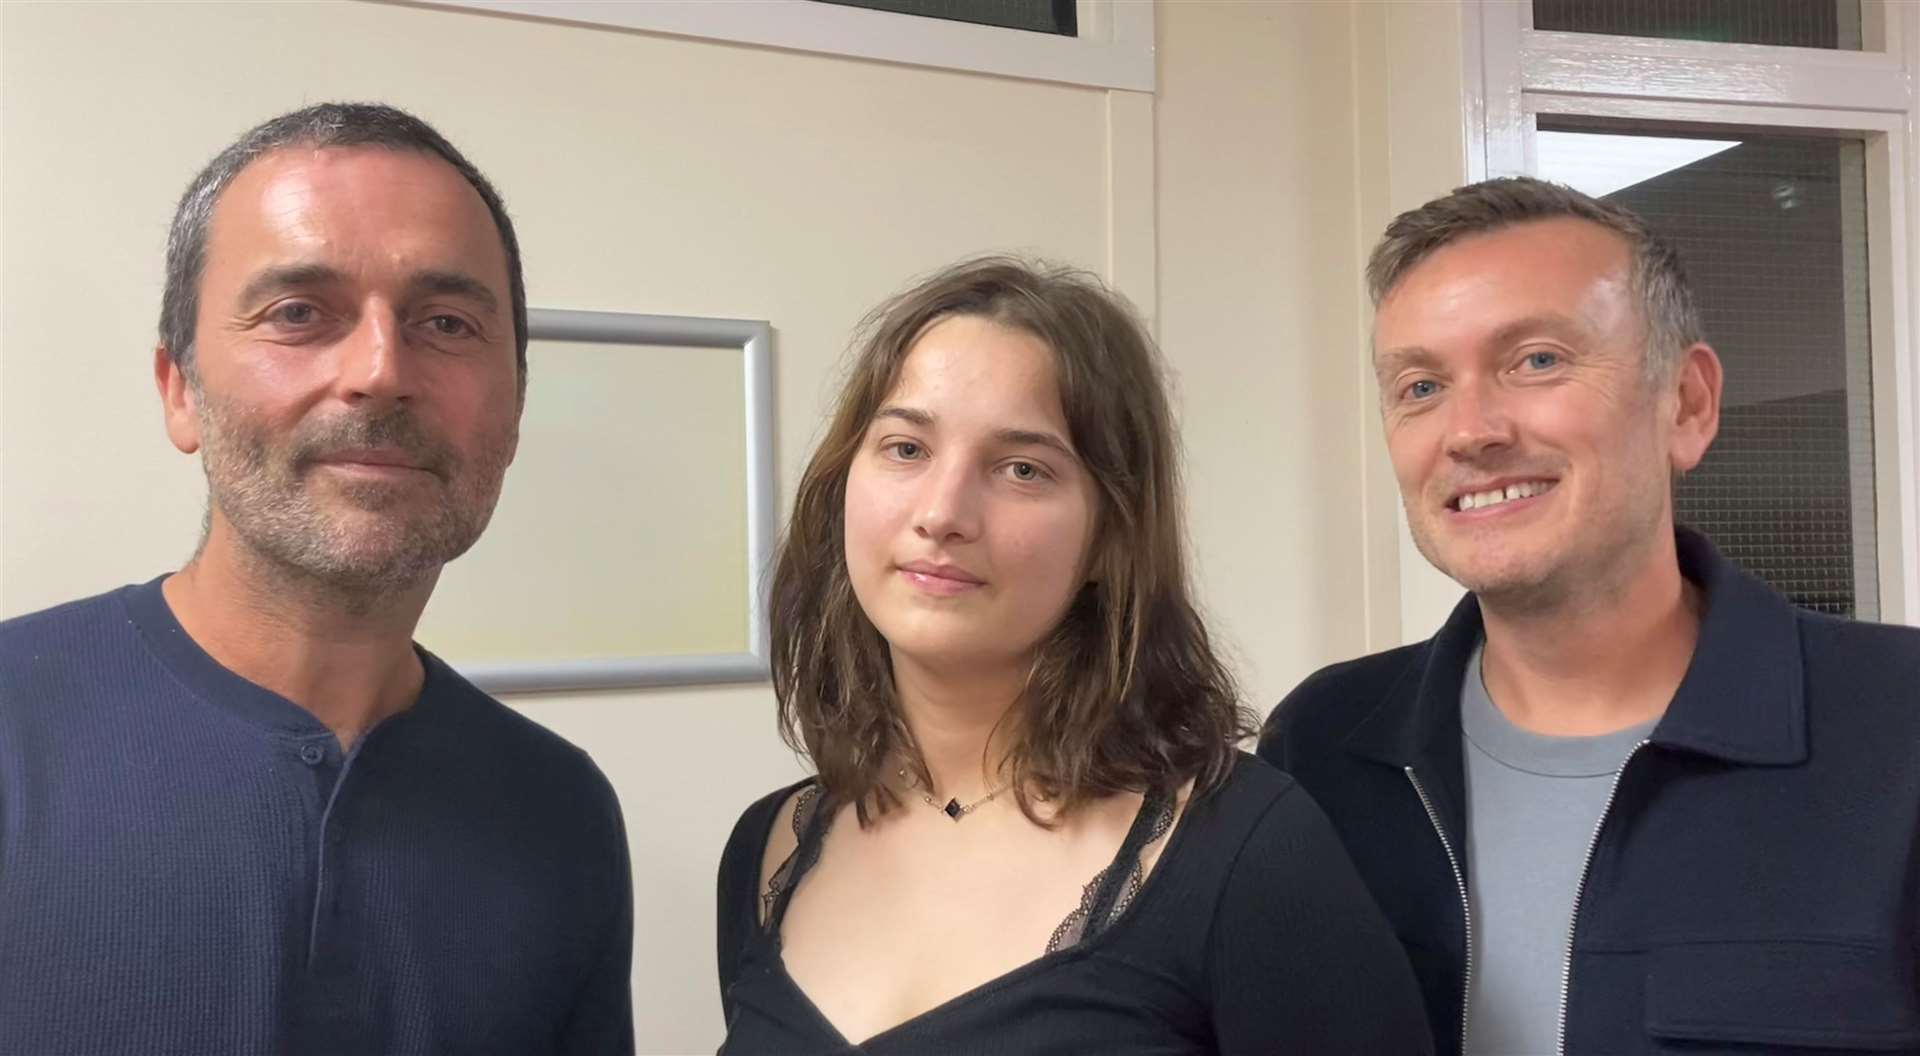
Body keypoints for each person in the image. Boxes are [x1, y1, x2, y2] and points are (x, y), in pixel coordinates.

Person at [0, 103, 633, 1055]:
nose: (381, 371)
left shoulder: (560, 813)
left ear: (514, 405)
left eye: (448, 322)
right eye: (298, 313)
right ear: (181, 390)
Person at [1260, 177, 1920, 1055]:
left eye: (1536, 360)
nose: (1469, 431)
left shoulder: (1899, 726)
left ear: (1687, 404)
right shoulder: (1324, 746)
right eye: (1420, 386)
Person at [715, 257, 1432, 1054]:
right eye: (906, 448)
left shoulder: (1249, 853)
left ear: (1108, 536)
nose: (942, 512)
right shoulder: (767, 851)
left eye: (1021, 468)